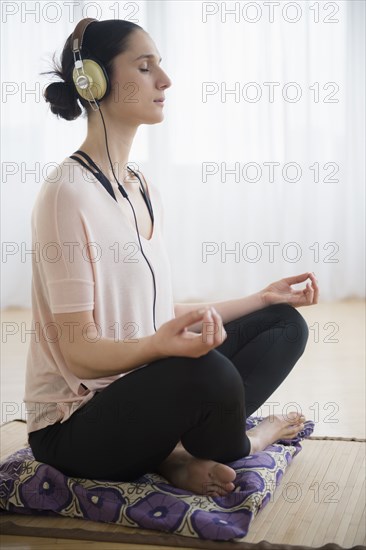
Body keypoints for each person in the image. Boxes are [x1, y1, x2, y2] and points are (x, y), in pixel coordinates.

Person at [24, 18, 319, 498]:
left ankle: (173, 455)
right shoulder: (67, 193)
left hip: (142, 392)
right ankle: (244, 441)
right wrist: (161, 348)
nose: (165, 80)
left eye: (160, 65)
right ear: (94, 82)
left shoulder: (142, 189)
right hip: (76, 428)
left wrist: (262, 297)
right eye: (145, 67)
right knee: (207, 372)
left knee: (282, 324)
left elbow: (161, 320)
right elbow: (79, 350)